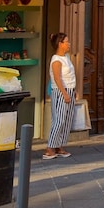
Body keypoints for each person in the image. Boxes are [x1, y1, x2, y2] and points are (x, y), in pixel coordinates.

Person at [44, 32, 76, 160]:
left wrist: (73, 91)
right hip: (60, 91)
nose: (68, 44)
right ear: (60, 44)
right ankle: (50, 147)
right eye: (66, 42)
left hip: (70, 89)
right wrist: (64, 93)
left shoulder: (66, 57)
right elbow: (57, 79)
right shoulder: (56, 60)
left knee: (67, 119)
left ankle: (60, 145)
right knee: (59, 120)